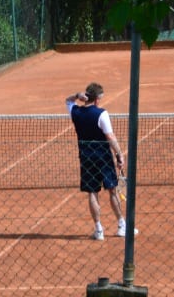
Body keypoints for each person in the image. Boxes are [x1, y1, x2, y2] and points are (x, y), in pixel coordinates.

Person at [66, 83, 132, 240]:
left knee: (92, 193)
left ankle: (98, 230)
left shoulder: (75, 111)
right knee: (112, 190)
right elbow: (110, 136)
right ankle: (122, 226)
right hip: (103, 158)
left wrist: (76, 95)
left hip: (86, 158)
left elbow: (68, 101)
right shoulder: (102, 113)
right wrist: (119, 155)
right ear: (96, 100)